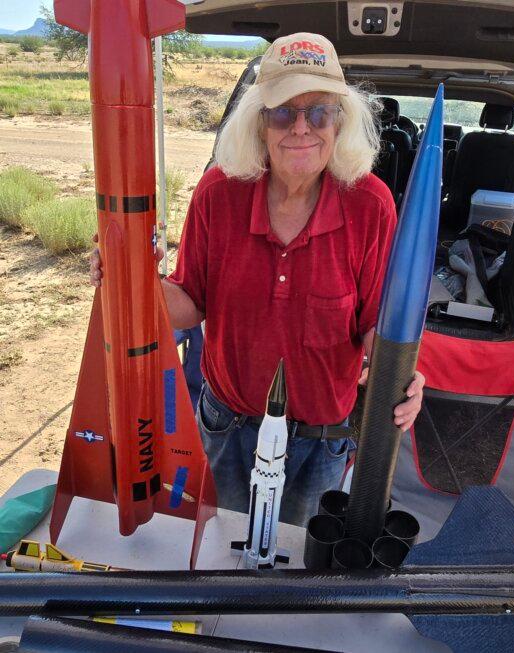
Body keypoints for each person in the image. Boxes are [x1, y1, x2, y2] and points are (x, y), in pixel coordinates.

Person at [90, 32, 425, 527]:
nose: (301, 128)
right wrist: (129, 281)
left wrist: (403, 374)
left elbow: (377, 322)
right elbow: (189, 302)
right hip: (226, 427)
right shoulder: (218, 192)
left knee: (296, 570)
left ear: (341, 120)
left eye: (319, 112)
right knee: (219, 554)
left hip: (321, 441)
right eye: (284, 112)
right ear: (260, 121)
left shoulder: (371, 204)